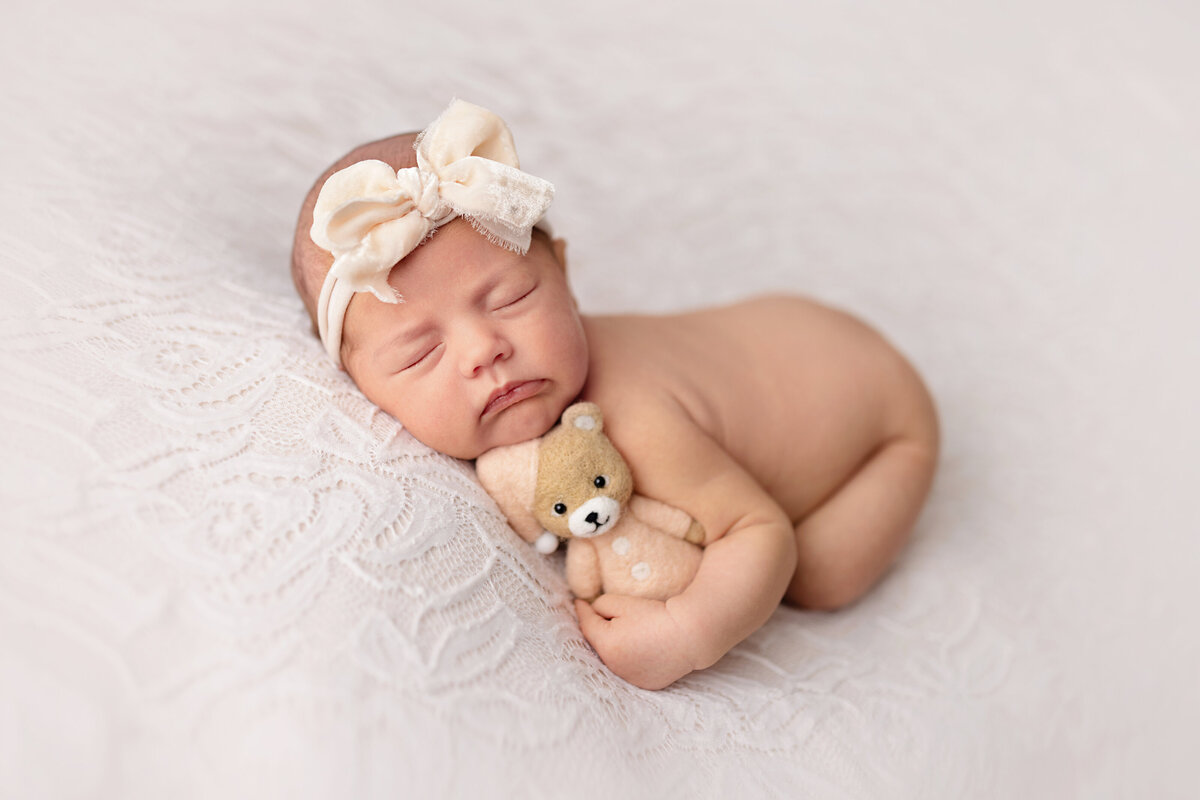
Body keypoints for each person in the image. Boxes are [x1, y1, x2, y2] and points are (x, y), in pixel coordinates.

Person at [290, 100, 940, 690]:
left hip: (880, 408)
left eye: (512, 298)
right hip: (777, 334)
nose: (483, 350)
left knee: (820, 576)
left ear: (566, 276)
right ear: (358, 384)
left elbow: (761, 533)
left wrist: (688, 632)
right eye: (420, 352)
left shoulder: (635, 416)